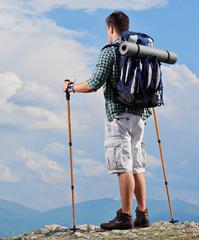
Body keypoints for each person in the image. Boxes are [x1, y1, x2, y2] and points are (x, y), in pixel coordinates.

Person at [62, 11, 150, 230]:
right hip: (141, 116)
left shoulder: (110, 52)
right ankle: (142, 213)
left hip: (118, 115)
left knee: (123, 166)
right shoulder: (141, 51)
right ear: (126, 27)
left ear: (111, 28)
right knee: (137, 166)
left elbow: (93, 83)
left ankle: (125, 216)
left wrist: (71, 87)